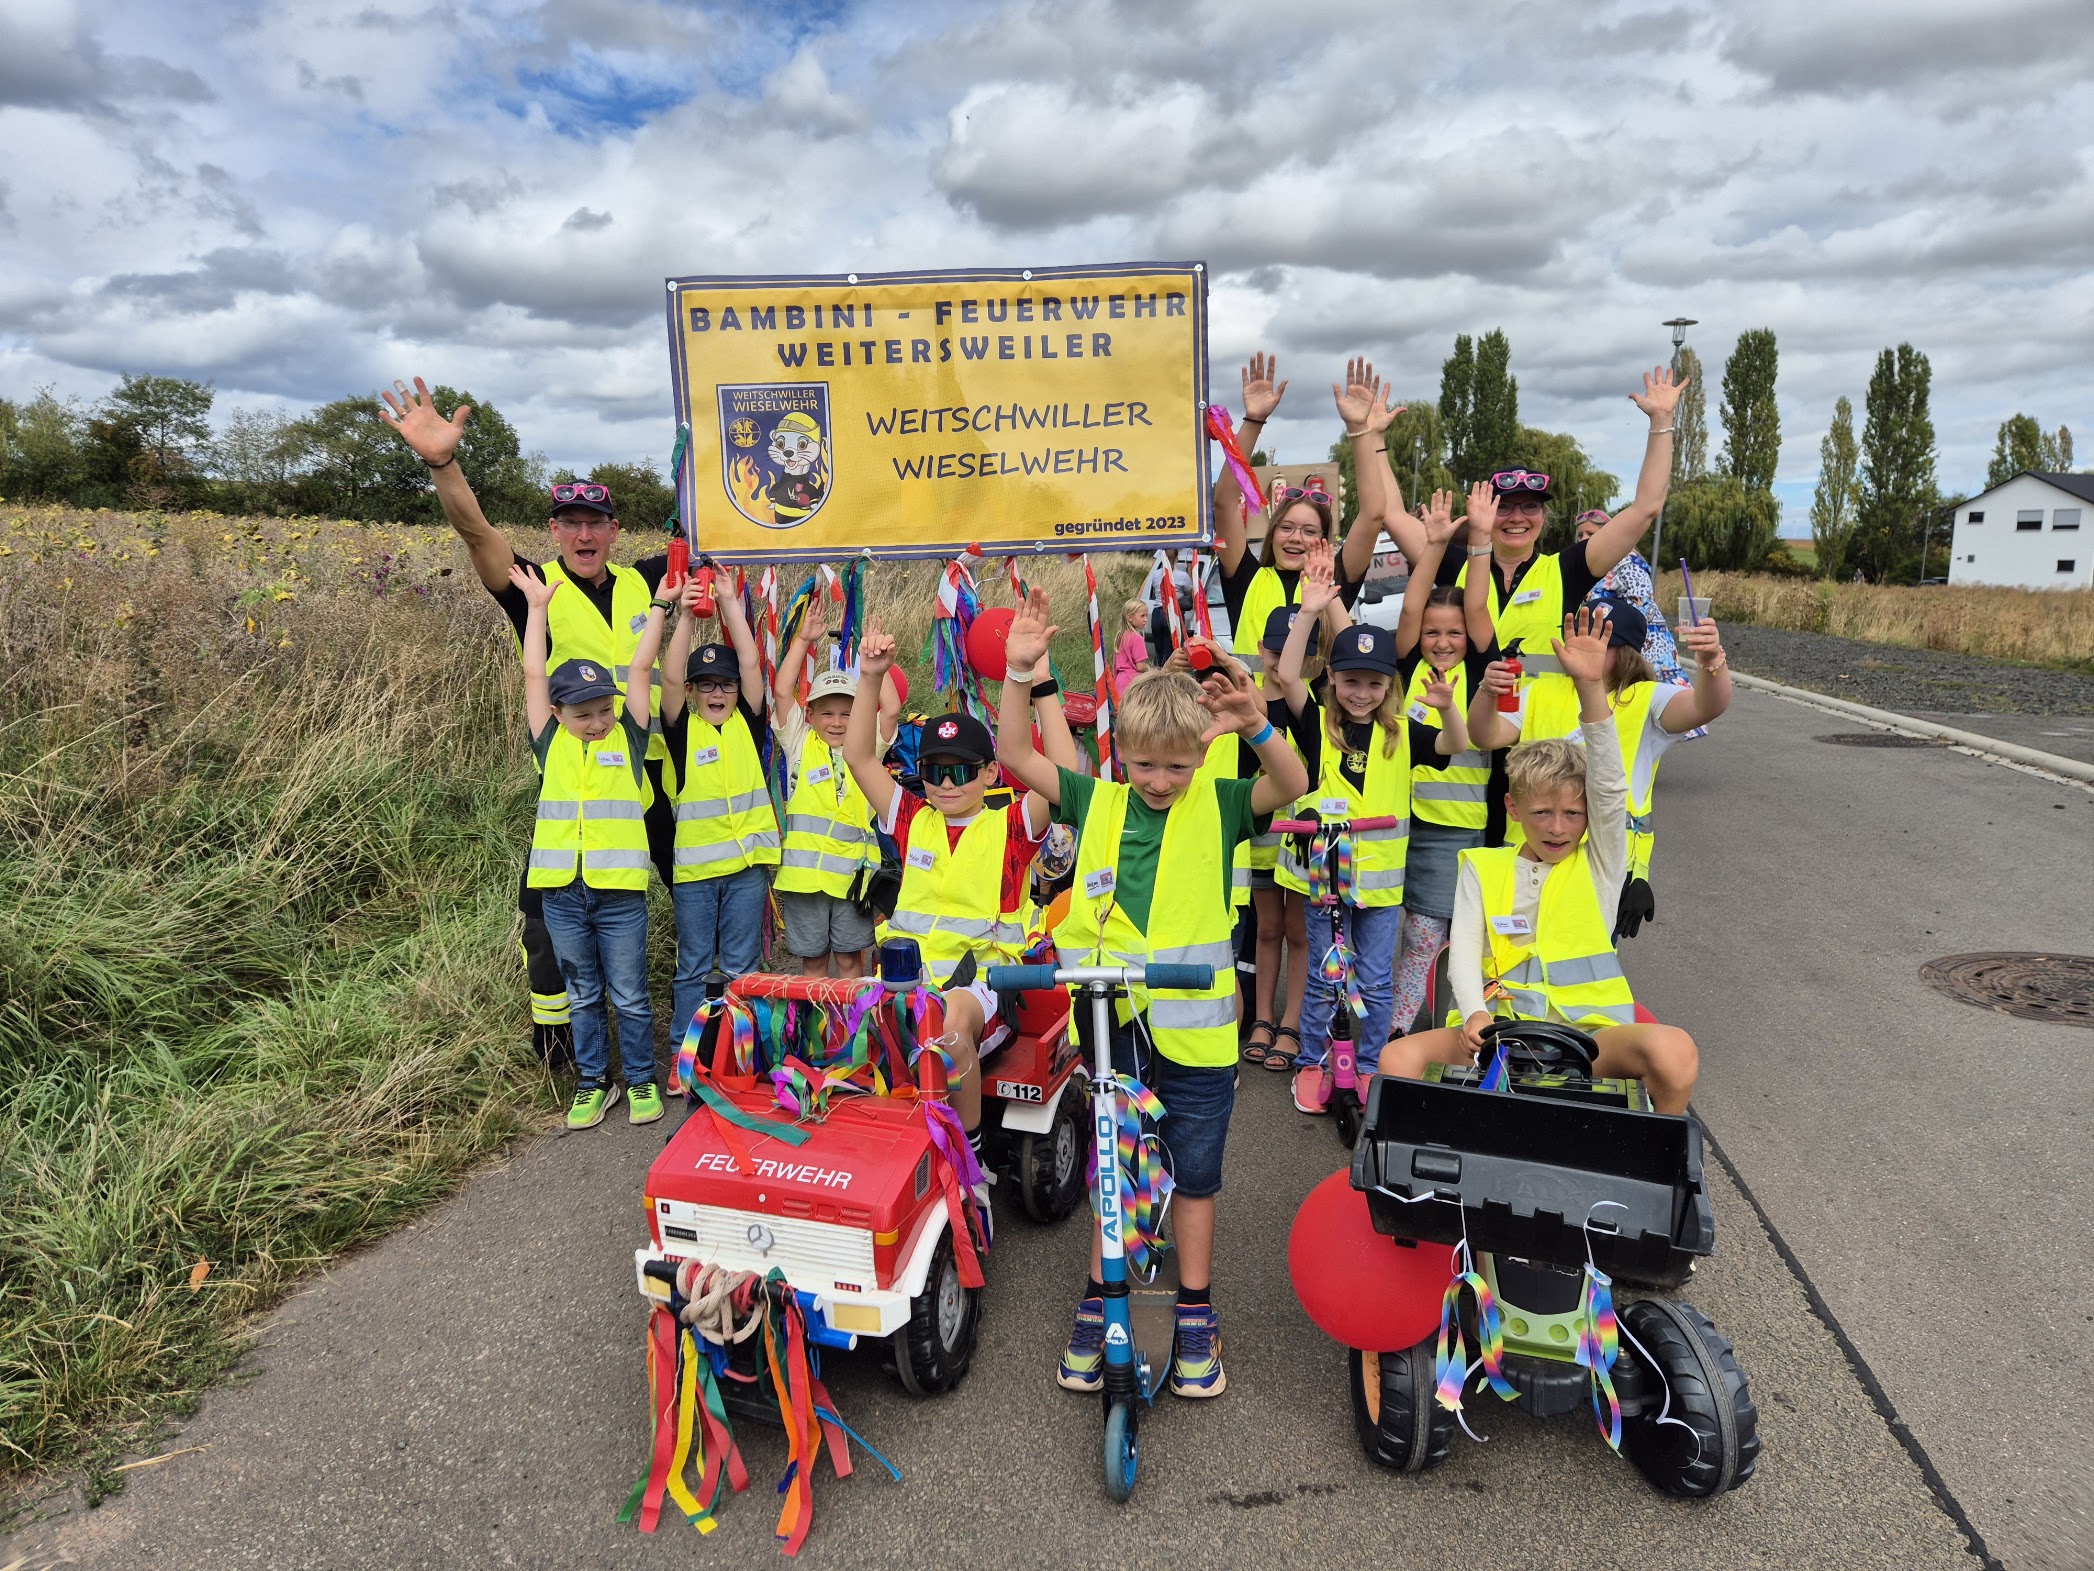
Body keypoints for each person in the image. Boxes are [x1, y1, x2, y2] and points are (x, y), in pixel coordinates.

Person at [995, 596, 1307, 1400]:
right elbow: (1014, 753)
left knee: (1194, 1173)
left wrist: (1255, 724)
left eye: (1177, 766)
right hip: (1113, 1027)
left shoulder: (1221, 803)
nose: (1161, 781)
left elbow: (1293, 781)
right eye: (1144, 765)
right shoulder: (1095, 799)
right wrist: (1020, 672)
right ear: (1121, 755)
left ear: (1201, 756)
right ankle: (1102, 1295)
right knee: (1115, 1164)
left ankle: (1195, 1307)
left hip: (1197, 1034)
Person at [379, 377, 675, 1072]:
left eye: (596, 522)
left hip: (655, 778)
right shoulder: (533, 589)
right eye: (570, 522)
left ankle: (716, 1028)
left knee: (699, 897)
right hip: (572, 787)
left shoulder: (651, 579)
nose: (583, 534)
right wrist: (443, 464)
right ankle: (559, 1044)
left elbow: (721, 538)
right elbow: (476, 532)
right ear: (554, 530)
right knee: (544, 920)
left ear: (615, 530)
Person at [1380, 608, 1700, 1115]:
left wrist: (1590, 686)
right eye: (1543, 813)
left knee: (1675, 1050)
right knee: (1397, 1058)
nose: (1558, 828)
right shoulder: (1482, 866)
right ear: (1513, 809)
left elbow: (1610, 787)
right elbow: (1463, 951)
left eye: (1573, 814)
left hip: (1589, 1040)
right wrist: (1474, 1014)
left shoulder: (1600, 860)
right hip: (1498, 1034)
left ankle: (1653, 1153)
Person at [842, 616, 1078, 1184]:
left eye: (962, 771)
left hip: (984, 990)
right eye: (934, 771)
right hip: (905, 981)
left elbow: (1067, 774)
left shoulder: (1013, 825)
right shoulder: (909, 818)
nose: (947, 784)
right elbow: (859, 758)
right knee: (839, 1019)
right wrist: (869, 678)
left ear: (992, 772)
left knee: (947, 1022)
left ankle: (968, 1160)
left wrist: (1037, 681)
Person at [1272, 548, 1462, 1113]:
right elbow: (1286, 674)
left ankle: (1373, 1061)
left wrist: (1447, 709)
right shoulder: (1315, 725)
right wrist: (1310, 610)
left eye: (1374, 683)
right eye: (1350, 681)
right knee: (1325, 978)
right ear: (1331, 678)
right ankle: (1312, 1061)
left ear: (1389, 684)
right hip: (1325, 882)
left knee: (1376, 980)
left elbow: (1453, 745)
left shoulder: (1402, 732)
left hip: (1380, 890)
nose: (1361, 692)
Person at [509, 566, 672, 1130]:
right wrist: (536, 609)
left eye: (605, 708)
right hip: (561, 896)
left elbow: (642, 667)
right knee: (582, 996)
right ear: (557, 714)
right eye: (583, 713)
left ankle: (642, 1078)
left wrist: (660, 606)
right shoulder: (548, 743)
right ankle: (594, 1083)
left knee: (629, 995)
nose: (598, 721)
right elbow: (534, 672)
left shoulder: (630, 737)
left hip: (619, 895)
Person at [1466, 598, 1732, 938]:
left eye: (1597, 639)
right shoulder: (1541, 690)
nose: (1578, 645)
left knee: (1581, 964)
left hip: (1600, 868)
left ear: (1625, 652)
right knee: (1516, 959)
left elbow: (1706, 706)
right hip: (1529, 858)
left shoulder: (1646, 698)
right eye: (1574, 634)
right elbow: (1485, 735)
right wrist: (1486, 692)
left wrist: (1712, 662)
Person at [1450, 367, 1690, 682]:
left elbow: (1646, 508)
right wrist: (1374, 435)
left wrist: (1661, 420)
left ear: (1544, 516)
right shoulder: (1459, 564)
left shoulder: (1565, 570)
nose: (1517, 517)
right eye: (1504, 507)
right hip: (1464, 713)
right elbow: (1389, 517)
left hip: (1544, 715)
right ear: (1485, 511)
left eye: (1530, 506)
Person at [1383, 485, 1501, 1048]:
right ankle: (1403, 1031)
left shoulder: (1477, 674)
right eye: (1433, 633)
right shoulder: (1408, 672)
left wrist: (1480, 539)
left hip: (1464, 830)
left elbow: (1476, 608)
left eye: (1454, 633)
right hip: (1413, 827)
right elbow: (1411, 608)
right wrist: (1432, 545)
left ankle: (1464, 1033)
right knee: (1422, 940)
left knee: (1467, 943)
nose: (1443, 641)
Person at [659, 572, 779, 1052]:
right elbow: (669, 678)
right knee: (692, 967)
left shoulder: (749, 723)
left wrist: (728, 601)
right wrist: (687, 615)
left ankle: (738, 1054)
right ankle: (683, 1054)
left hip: (746, 872)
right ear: (692, 691)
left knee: (740, 968)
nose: (718, 693)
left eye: (726, 685)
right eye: (706, 684)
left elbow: (751, 662)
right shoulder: (682, 731)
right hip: (696, 877)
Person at [770, 598, 904, 978]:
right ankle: (816, 1020)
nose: (837, 722)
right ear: (809, 715)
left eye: (847, 713)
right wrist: (803, 640)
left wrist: (874, 662)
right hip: (805, 882)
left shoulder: (867, 747)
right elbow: (782, 693)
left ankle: (852, 1020)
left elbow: (891, 710)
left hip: (853, 878)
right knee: (813, 964)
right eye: (826, 713)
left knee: (849, 962)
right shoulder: (799, 742)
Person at [1239, 602, 1317, 1070]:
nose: (1282, 659)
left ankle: (1293, 1021)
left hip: (1304, 841)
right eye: (1274, 650)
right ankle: (1263, 1018)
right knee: (1267, 929)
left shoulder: (1313, 707)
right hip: (1263, 838)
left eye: (1297, 652)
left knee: (1299, 932)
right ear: (1260, 649)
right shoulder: (1246, 701)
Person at [1575, 509, 1686, 685]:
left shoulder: (1628, 562)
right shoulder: (1593, 567)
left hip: (1644, 652)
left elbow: (1641, 608)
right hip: (1615, 652)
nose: (1583, 539)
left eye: (1590, 534)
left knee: (1653, 698)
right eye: (1580, 535)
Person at [1112, 597, 1150, 699]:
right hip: (1132, 682)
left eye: (1146, 616)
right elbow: (1140, 667)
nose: (1145, 620)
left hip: (1119, 680)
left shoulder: (1120, 635)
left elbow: (1115, 664)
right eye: (1142, 616)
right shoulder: (1137, 638)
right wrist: (1149, 669)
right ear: (1130, 617)